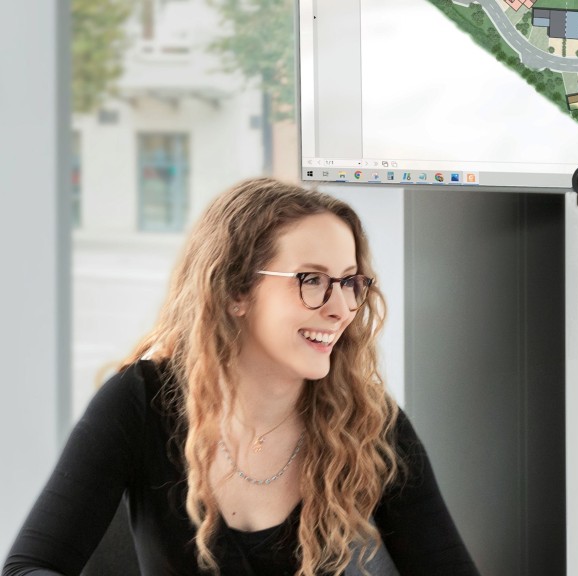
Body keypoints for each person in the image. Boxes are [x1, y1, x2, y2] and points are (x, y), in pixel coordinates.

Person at [4, 178, 480, 576]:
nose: (342, 309)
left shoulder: (367, 419)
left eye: (350, 282)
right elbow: (29, 567)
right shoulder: (141, 401)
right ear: (235, 291)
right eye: (311, 280)